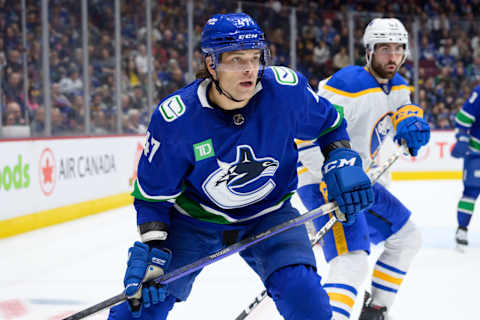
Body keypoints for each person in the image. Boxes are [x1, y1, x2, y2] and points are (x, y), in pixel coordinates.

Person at [108, 13, 374, 320]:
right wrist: (153, 250)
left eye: (255, 57)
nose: (249, 69)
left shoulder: (285, 93)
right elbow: (152, 199)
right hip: (195, 221)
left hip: (271, 214)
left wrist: (340, 158)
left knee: (305, 299)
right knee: (139, 310)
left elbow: (331, 124)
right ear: (211, 64)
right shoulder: (176, 120)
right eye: (236, 60)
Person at [296, 18, 430, 320]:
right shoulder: (348, 85)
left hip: (362, 181)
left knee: (407, 237)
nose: (392, 57)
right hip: (324, 181)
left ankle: (376, 310)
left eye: (398, 49)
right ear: (368, 52)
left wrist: (410, 123)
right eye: (384, 49)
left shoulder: (397, 85)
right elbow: (305, 135)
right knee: (352, 260)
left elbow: (400, 112)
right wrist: (333, 178)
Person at [451, 85, 480, 252]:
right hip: (477, 151)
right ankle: (462, 229)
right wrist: (462, 136)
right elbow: (463, 119)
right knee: (471, 191)